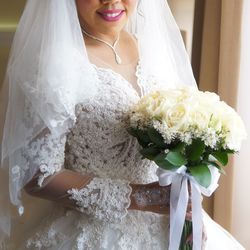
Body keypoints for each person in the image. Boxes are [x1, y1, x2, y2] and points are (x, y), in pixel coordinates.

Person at [0, 0, 245, 249]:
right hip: (94, 231)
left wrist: (187, 207)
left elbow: (180, 140)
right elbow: (39, 176)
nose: (112, 1)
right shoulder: (54, 64)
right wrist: (142, 197)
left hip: (168, 221)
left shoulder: (153, 46)